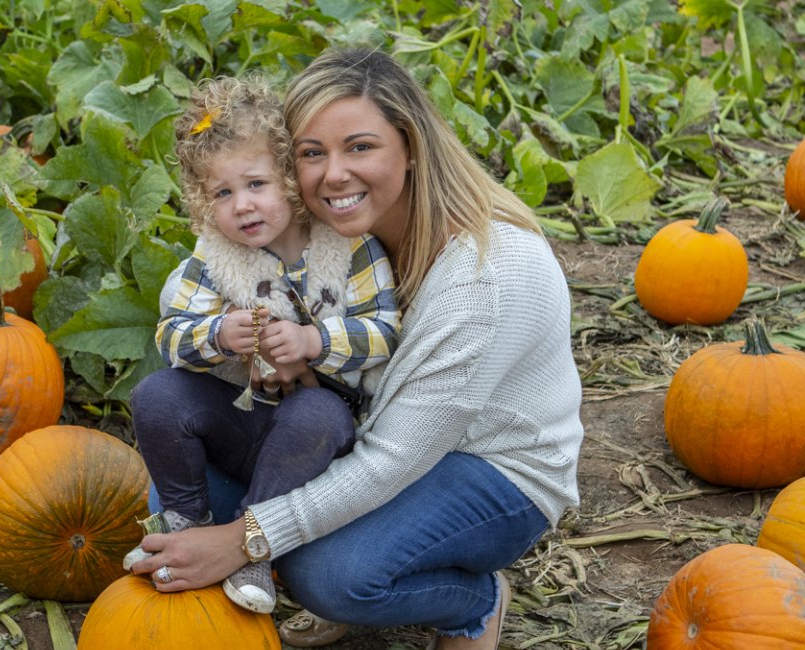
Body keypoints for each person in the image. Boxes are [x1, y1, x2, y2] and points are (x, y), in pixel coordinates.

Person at [129, 47, 584, 650]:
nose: (333, 175)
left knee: (327, 574)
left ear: (412, 145)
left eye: (360, 147)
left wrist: (244, 539)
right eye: (313, 153)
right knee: (186, 495)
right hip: (366, 436)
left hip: (489, 469)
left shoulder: (486, 280)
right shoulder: (338, 243)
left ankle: (475, 602)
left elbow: (394, 459)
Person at [127, 74, 400, 616]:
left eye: (256, 185)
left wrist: (312, 340)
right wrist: (217, 335)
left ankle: (253, 547)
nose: (242, 207)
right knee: (156, 395)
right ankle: (187, 521)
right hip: (243, 423)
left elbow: (384, 330)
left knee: (317, 412)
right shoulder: (214, 258)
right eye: (222, 193)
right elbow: (170, 334)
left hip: (316, 437)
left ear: (289, 178)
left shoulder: (349, 246)